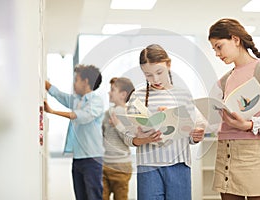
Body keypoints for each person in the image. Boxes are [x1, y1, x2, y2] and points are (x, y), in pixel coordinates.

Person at [208, 18, 260, 200]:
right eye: (214, 49)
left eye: (219, 47)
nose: (217, 54)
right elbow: (212, 117)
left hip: (253, 153)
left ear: (235, 40)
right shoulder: (223, 80)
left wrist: (250, 124)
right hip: (225, 151)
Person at [116, 44, 206, 200]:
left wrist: (196, 136)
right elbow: (128, 138)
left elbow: (190, 135)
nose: (155, 79)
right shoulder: (137, 96)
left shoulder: (183, 95)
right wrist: (144, 139)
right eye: (148, 75)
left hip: (179, 166)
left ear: (168, 65)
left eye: (159, 72)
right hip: (148, 167)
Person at [44, 64, 104, 200]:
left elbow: (82, 117)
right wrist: (44, 83)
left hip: (93, 159)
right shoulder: (77, 100)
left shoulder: (96, 101)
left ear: (86, 82)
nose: (74, 84)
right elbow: (59, 95)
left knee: (94, 197)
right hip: (78, 159)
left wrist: (53, 112)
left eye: (76, 80)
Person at [102, 77, 135, 200]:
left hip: (121, 167)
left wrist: (118, 125)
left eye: (112, 90)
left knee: (121, 197)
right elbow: (102, 136)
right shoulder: (107, 114)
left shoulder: (127, 114)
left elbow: (130, 138)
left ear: (123, 95)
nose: (109, 92)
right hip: (105, 165)